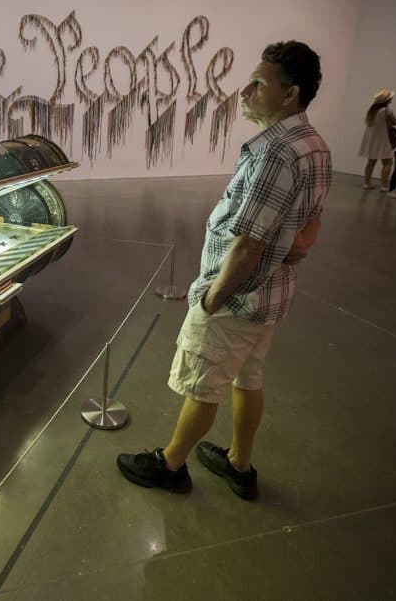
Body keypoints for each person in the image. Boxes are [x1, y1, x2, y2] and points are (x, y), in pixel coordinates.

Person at [117, 41, 332, 500]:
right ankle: (240, 463)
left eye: (259, 83)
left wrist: (213, 297)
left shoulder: (277, 152)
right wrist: (293, 248)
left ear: (290, 93)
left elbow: (249, 242)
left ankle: (171, 465)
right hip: (272, 297)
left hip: (238, 296)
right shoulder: (313, 144)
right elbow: (310, 225)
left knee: (203, 384)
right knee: (247, 377)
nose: (245, 91)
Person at [358, 89, 396, 190]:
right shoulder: (386, 110)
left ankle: (367, 183)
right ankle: (384, 186)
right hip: (383, 139)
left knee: (371, 162)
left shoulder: (372, 110)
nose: (392, 98)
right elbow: (394, 122)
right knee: (388, 162)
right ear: (387, 100)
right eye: (390, 97)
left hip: (372, 139)